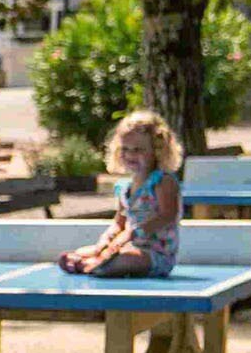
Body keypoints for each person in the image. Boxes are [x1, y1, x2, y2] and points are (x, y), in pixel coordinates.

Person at [58, 110, 184, 277]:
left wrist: (134, 233)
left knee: (125, 259)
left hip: (155, 255)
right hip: (127, 246)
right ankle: (96, 261)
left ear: (157, 150)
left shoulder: (163, 181)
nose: (130, 155)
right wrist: (107, 237)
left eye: (138, 150)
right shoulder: (125, 188)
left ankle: (96, 264)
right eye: (125, 149)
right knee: (86, 251)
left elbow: (168, 215)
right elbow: (120, 221)